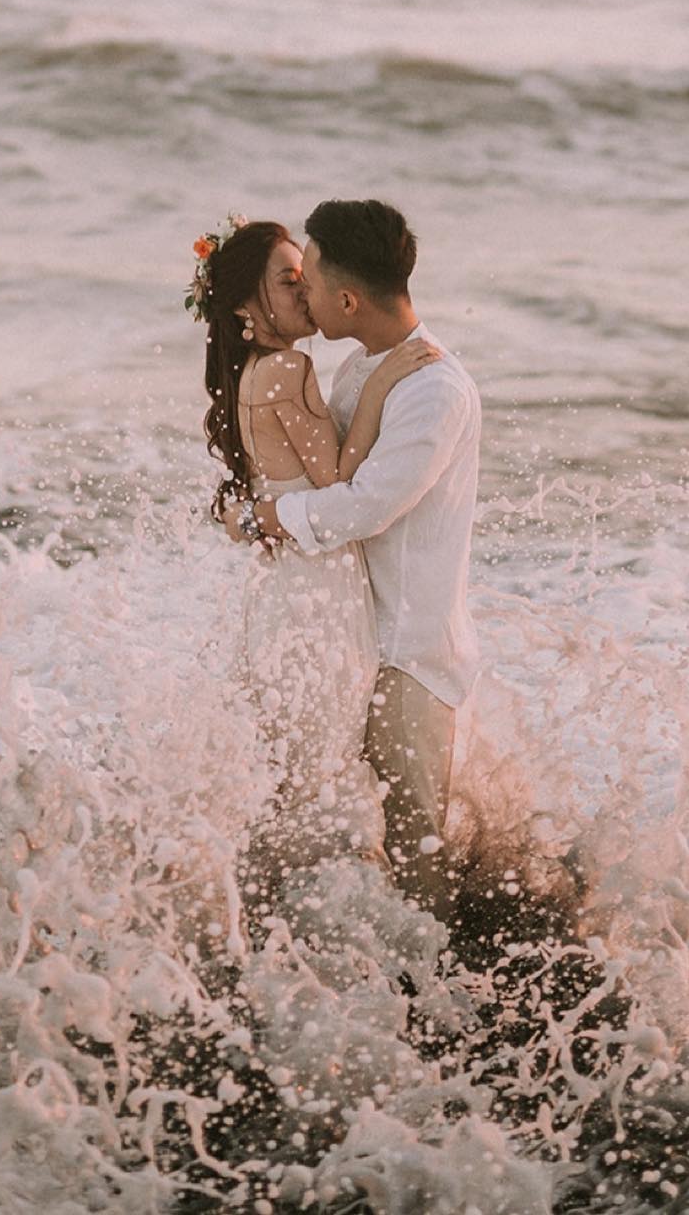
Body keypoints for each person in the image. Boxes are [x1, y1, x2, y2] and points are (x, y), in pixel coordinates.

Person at [224, 200, 481, 916]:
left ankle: (437, 1009)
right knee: (336, 835)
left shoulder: (433, 388)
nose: (300, 292)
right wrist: (251, 512)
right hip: (352, 637)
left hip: (410, 656)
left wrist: (266, 516)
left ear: (345, 298)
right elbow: (316, 469)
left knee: (414, 851)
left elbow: (364, 504)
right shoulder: (359, 372)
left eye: (307, 281)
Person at [189, 213, 438, 886]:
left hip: (287, 583)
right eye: (288, 282)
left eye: (306, 279)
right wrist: (385, 384)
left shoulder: (255, 374)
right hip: (317, 585)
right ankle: (332, 897)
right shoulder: (285, 369)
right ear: (247, 302)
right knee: (323, 757)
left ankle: (278, 900)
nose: (307, 294)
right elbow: (340, 482)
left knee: (298, 762)